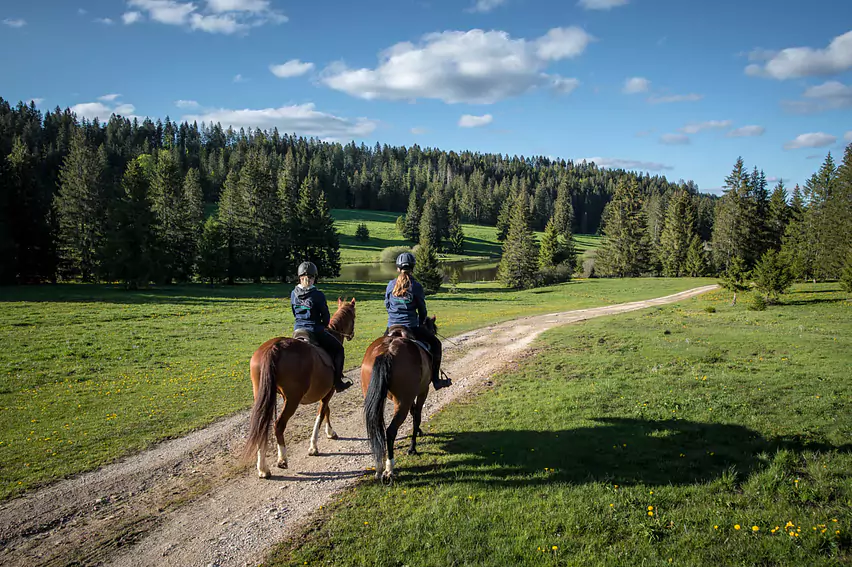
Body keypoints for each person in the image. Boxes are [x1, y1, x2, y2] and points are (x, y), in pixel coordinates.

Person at [384, 252, 451, 390]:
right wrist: (421, 322)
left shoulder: (390, 285)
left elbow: (387, 305)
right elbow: (422, 310)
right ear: (413, 268)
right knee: (436, 344)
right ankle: (436, 380)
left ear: (397, 268)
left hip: (392, 326)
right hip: (411, 327)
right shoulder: (416, 286)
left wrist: (395, 315)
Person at [291, 261, 351, 393]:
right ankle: (338, 382)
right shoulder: (318, 295)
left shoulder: (293, 293)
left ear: (299, 276)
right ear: (314, 277)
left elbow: (295, 312)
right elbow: (326, 317)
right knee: (339, 349)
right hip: (314, 331)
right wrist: (323, 326)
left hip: (298, 331)